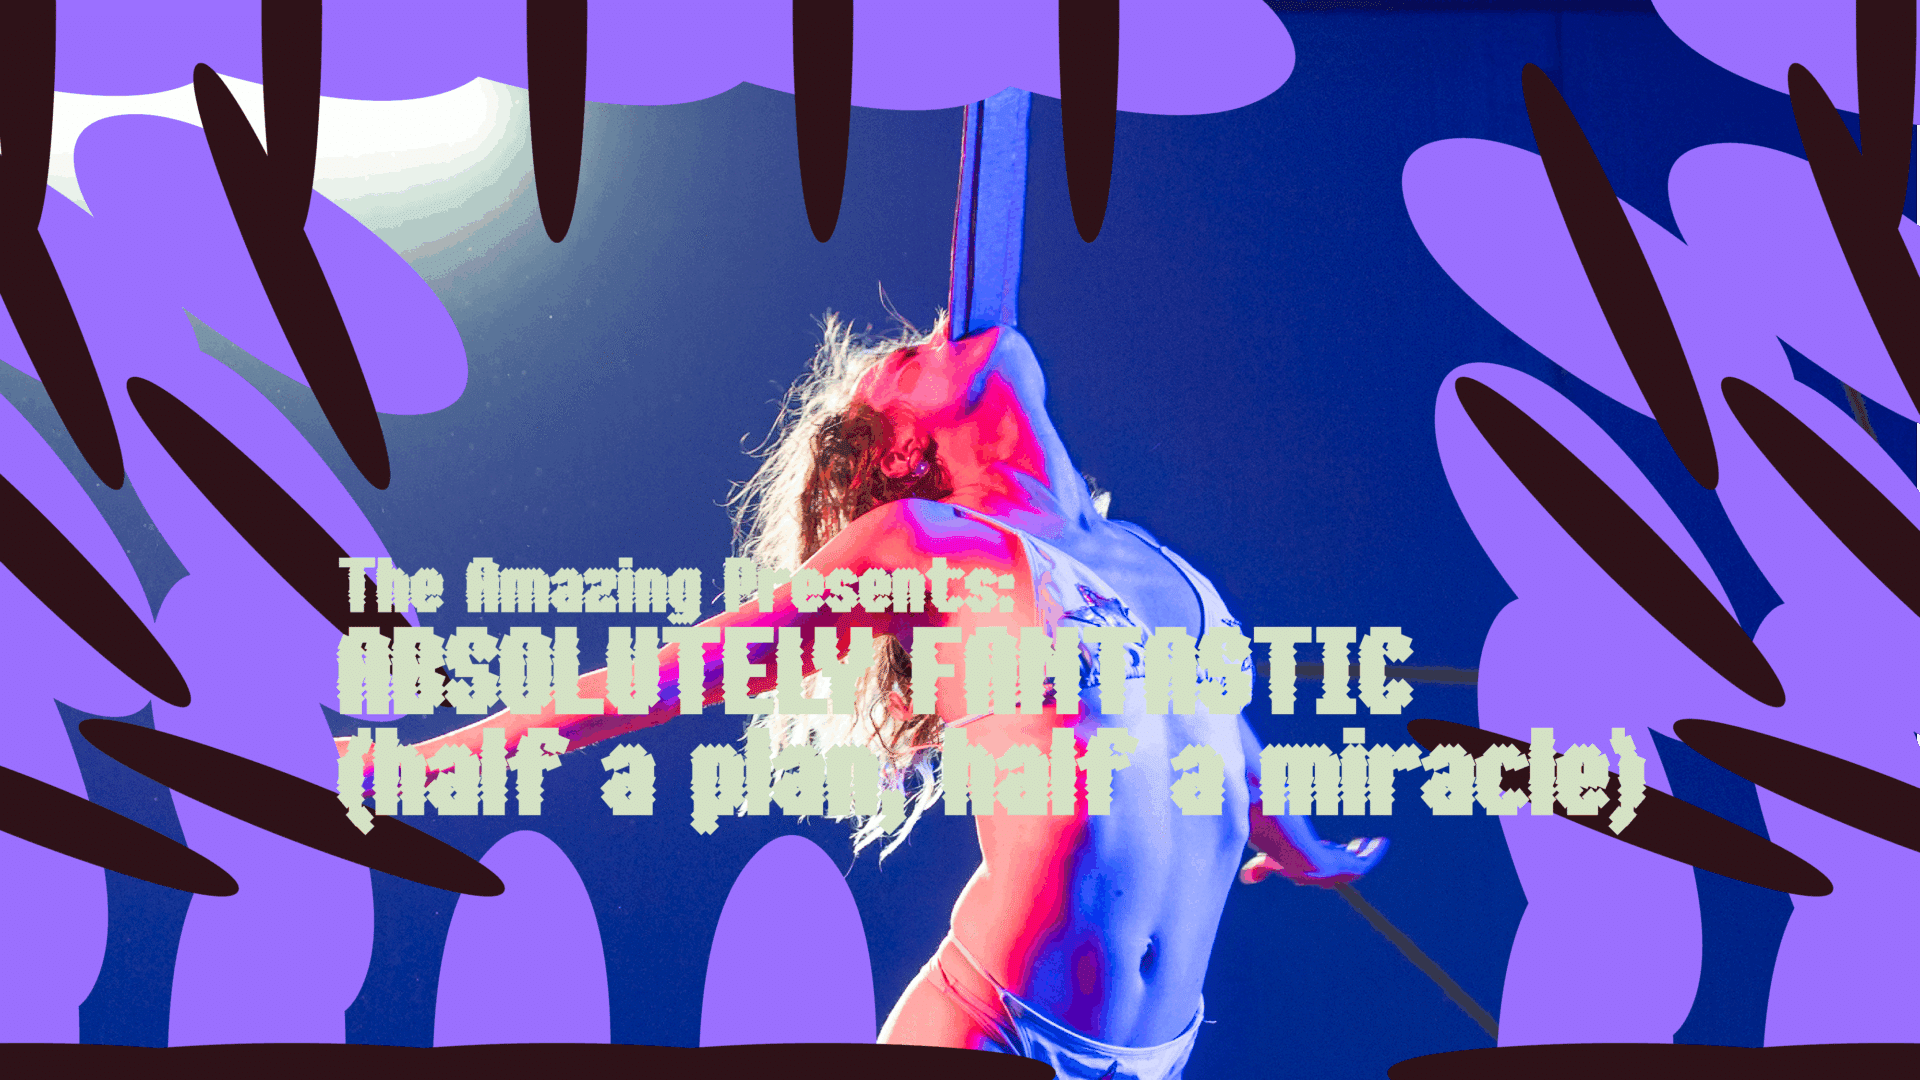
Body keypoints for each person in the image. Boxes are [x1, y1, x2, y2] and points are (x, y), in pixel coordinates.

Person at [368, 317, 1385, 1080]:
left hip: (1161, 1056)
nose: (939, 329)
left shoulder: (1164, 566)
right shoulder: (927, 548)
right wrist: (418, 766)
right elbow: (659, 684)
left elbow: (1215, 745)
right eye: (905, 359)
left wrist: (1300, 844)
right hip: (996, 1029)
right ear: (905, 451)